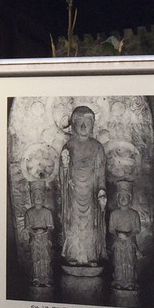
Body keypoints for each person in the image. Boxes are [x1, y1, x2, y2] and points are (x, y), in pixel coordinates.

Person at [60, 106, 107, 266]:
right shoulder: (69, 146)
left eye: (87, 122)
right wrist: (65, 167)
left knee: (91, 224)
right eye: (79, 122)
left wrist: (101, 191)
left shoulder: (97, 147)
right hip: (74, 193)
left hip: (92, 194)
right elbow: (63, 176)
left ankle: (91, 256)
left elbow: (101, 173)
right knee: (74, 223)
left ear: (93, 125)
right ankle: (73, 255)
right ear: (73, 124)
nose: (83, 126)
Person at [109, 182, 141, 289]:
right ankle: (118, 281)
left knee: (129, 261)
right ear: (118, 199)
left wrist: (128, 235)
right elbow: (111, 229)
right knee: (118, 261)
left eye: (125, 197)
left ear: (130, 199)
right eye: (121, 197)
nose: (123, 199)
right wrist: (119, 234)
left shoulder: (134, 214)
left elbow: (137, 229)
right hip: (118, 242)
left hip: (130, 242)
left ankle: (130, 282)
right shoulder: (114, 214)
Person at [24, 182, 54, 286]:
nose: (37, 198)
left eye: (40, 196)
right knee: (35, 257)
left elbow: (50, 227)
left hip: (44, 238)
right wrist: (35, 232)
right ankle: (36, 277)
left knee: (45, 258)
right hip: (34, 239)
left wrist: (45, 232)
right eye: (35, 196)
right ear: (32, 198)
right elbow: (28, 227)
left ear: (43, 198)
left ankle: (46, 278)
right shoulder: (29, 213)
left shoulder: (47, 212)